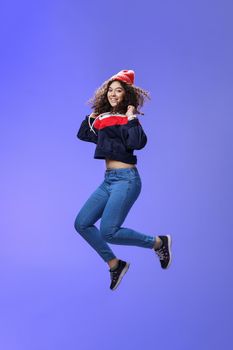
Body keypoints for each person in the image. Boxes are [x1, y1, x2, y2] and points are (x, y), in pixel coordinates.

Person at [74, 69, 172, 291]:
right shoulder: (104, 119)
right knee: (82, 223)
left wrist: (131, 118)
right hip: (108, 180)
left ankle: (158, 242)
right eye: (110, 90)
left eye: (118, 91)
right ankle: (115, 264)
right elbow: (84, 134)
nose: (113, 94)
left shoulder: (129, 120)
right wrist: (94, 114)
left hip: (127, 180)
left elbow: (138, 143)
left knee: (109, 231)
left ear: (126, 95)